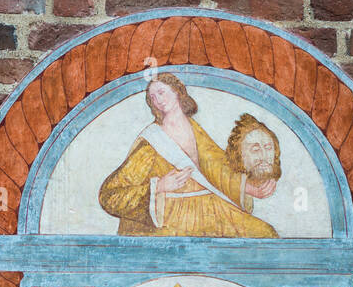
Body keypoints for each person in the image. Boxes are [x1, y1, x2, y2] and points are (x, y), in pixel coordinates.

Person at [98, 74, 279, 238]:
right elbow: (109, 195)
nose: (158, 100)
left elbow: (216, 167)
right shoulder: (152, 140)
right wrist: (158, 186)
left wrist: (250, 189)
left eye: (161, 92)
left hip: (208, 207)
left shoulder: (194, 128)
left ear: (177, 91)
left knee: (265, 233)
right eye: (152, 97)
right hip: (172, 216)